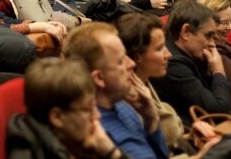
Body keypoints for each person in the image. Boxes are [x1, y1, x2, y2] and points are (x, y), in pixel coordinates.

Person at [63, 23, 171, 159]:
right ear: (99, 78)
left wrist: (152, 120)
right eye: (120, 61)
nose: (131, 63)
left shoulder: (123, 105)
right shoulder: (94, 132)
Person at [7, 58, 133, 159]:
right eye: (87, 110)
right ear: (57, 117)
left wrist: (111, 152)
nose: (97, 116)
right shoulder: (26, 152)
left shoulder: (79, 144)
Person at [151, 0, 231, 121]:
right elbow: (218, 112)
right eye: (208, 36)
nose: (212, 44)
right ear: (186, 32)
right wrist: (219, 72)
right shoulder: (173, 64)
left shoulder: (188, 56)